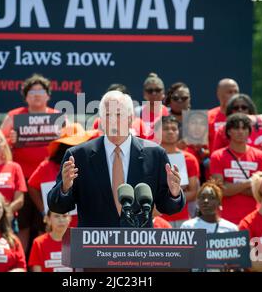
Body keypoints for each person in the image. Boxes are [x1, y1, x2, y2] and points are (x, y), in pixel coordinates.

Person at [48, 90, 185, 227]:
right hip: (95, 245)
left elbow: (168, 207)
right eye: (108, 115)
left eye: (118, 114)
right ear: (101, 121)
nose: (113, 120)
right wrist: (64, 188)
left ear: (130, 119)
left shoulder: (155, 155)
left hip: (139, 243)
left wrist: (174, 194)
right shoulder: (78, 156)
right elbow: (58, 207)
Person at [0, 73, 59, 252]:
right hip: (22, 181)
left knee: (47, 224)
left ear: (48, 95)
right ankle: (21, 263)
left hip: (48, 181)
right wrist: (10, 141)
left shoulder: (58, 118)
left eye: (41, 91)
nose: (36, 95)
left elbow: (68, 146)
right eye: (32, 92)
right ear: (26, 97)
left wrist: (61, 137)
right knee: (23, 226)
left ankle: (44, 262)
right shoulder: (13, 117)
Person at [28, 124, 98, 230]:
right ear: (63, 147)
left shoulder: (91, 164)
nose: (77, 148)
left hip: (83, 225)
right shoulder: (47, 166)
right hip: (55, 230)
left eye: (81, 143)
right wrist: (44, 210)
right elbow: (32, 186)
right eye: (72, 145)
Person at [210, 113, 262, 225]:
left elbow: (260, 192)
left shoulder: (260, 156)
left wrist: (230, 187)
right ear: (228, 131)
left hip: (253, 218)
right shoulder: (217, 156)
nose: (240, 131)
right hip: (225, 219)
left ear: (249, 131)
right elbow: (220, 191)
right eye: (236, 128)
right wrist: (249, 182)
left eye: (244, 128)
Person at [212, 94, 262, 169]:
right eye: (236, 108)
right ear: (230, 110)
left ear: (250, 110)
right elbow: (216, 155)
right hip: (231, 170)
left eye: (244, 107)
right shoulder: (222, 129)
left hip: (257, 167)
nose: (240, 110)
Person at [158, 115, 200, 227]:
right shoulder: (151, 156)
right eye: (166, 129)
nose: (170, 132)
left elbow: (194, 193)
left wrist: (173, 195)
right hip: (158, 217)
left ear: (179, 132)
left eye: (174, 129)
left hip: (182, 219)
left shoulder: (189, 159)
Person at [134, 73, 169, 141]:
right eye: (150, 91)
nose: (154, 93)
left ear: (163, 93)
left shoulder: (169, 113)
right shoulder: (136, 113)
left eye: (158, 90)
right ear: (144, 93)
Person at [207, 78, 239, 153]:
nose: (234, 95)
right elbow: (198, 147)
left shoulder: (246, 117)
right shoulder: (206, 117)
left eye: (236, 92)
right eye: (230, 92)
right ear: (219, 94)